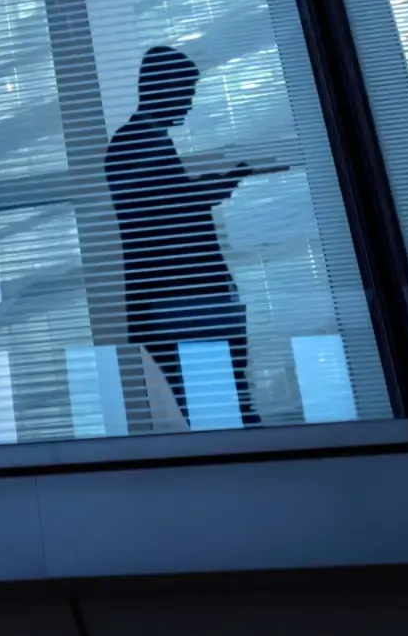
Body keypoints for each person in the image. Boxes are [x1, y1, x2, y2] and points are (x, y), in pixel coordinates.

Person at [100, 44, 284, 428]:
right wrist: (233, 175)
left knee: (222, 407)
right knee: (223, 412)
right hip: (183, 302)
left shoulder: (144, 142)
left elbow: (172, 205)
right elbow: (175, 208)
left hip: (184, 301)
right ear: (160, 87)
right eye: (186, 91)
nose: (188, 103)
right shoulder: (135, 143)